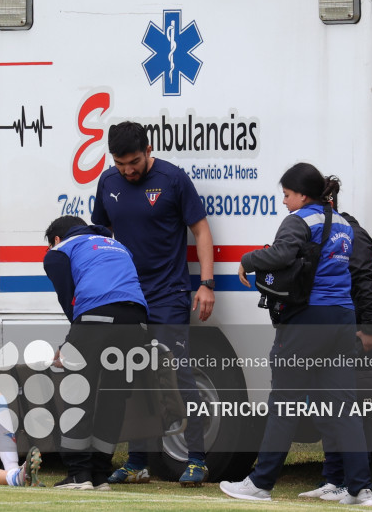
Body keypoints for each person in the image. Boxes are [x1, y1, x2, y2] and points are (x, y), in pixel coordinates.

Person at [220, 162, 372, 506]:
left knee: (284, 404)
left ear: (303, 195)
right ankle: (360, 489)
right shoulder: (345, 224)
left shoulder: (301, 219)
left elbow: (281, 254)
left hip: (308, 319)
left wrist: (247, 260)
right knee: (345, 408)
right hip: (342, 319)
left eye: (287, 195)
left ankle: (260, 483)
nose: (285, 202)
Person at [91, 121, 215, 487]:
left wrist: (206, 284)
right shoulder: (107, 183)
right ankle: (137, 462)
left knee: (176, 374)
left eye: (133, 162)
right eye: (119, 163)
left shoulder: (173, 179)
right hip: (128, 297)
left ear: (148, 150)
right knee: (134, 375)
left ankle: (196, 458)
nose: (127, 170)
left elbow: (201, 230)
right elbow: (100, 237)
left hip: (169, 294)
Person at [299, 175, 372, 502]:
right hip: (326, 328)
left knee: (346, 408)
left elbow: (366, 284)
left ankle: (355, 482)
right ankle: (334, 477)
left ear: (328, 202)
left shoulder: (352, 233)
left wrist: (370, 329)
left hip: (351, 329)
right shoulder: (320, 230)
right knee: (326, 407)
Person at [43, 215, 148, 491]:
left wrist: (70, 343)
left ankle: (79, 475)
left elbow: (70, 300)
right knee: (114, 399)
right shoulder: (116, 245)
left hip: (96, 319)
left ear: (56, 239)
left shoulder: (59, 251)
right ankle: (101, 475)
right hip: (137, 322)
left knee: (77, 394)